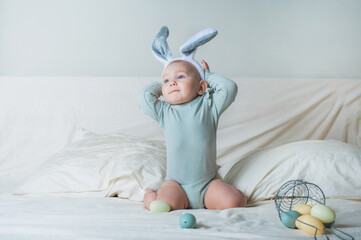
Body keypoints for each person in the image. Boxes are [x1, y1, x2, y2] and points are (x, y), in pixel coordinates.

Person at [138, 58, 247, 210]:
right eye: (167, 80)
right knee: (163, 205)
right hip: (176, 184)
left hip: (208, 183)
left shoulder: (209, 105)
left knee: (234, 203)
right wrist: (162, 82)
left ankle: (235, 195)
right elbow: (144, 97)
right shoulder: (164, 111)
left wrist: (206, 75)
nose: (172, 83)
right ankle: (150, 199)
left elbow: (229, 88)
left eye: (180, 77)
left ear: (201, 86)